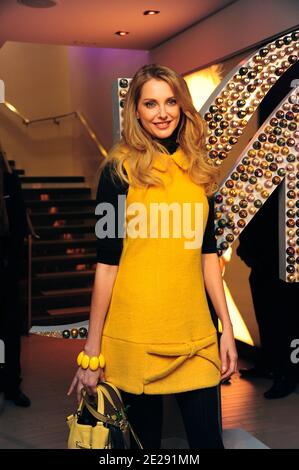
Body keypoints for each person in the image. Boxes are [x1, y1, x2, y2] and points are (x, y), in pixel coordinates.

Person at [68, 64, 238, 449]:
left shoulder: (198, 171)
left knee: (208, 443)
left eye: (170, 101)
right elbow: (107, 264)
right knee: (146, 447)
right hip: (135, 337)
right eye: (150, 103)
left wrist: (225, 327)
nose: (162, 112)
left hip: (195, 335)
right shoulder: (118, 173)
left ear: (182, 106)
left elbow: (207, 256)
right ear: (136, 112)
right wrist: (92, 349)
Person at [237, 188, 299, 399]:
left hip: (282, 261)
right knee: (267, 315)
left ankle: (287, 374)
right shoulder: (264, 182)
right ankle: (270, 364)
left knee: (285, 321)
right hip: (263, 259)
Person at [0, 149, 31, 408]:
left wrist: (11, 260)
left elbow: (20, 224)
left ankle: (11, 385)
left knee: (10, 330)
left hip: (7, 271)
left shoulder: (10, 182)